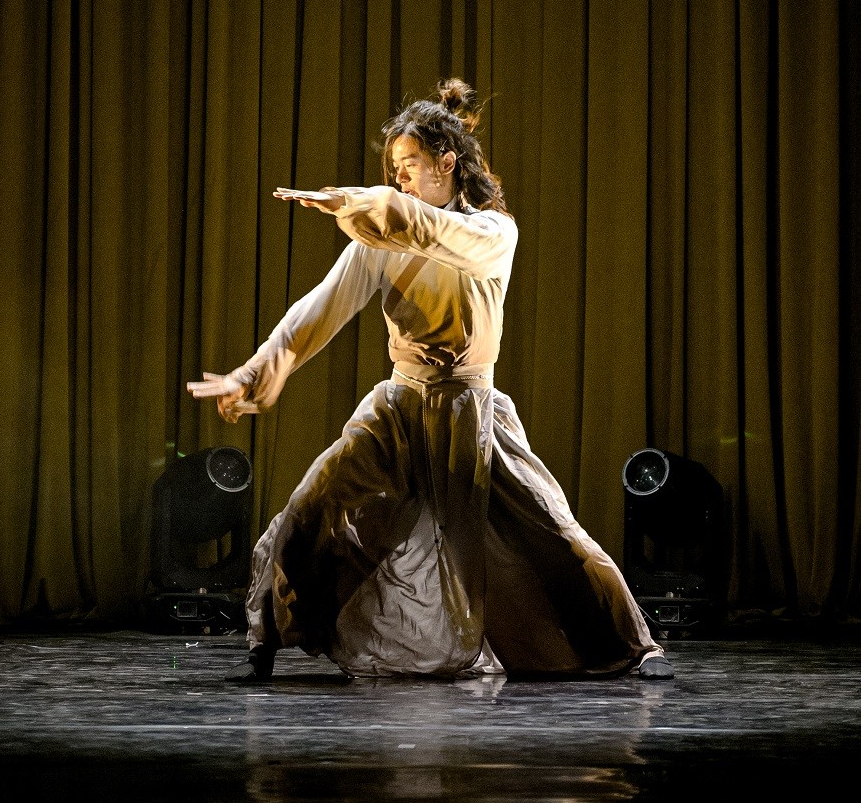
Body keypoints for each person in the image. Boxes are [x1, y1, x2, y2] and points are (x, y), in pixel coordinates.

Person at [187, 78, 673, 682]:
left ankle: (627, 644)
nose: (400, 180)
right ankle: (268, 639)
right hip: (398, 408)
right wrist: (256, 371)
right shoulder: (381, 238)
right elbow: (318, 309)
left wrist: (371, 207)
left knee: (547, 534)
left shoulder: (492, 234)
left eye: (410, 165)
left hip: (470, 414)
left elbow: (434, 234)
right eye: (394, 171)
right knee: (312, 507)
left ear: (448, 163)